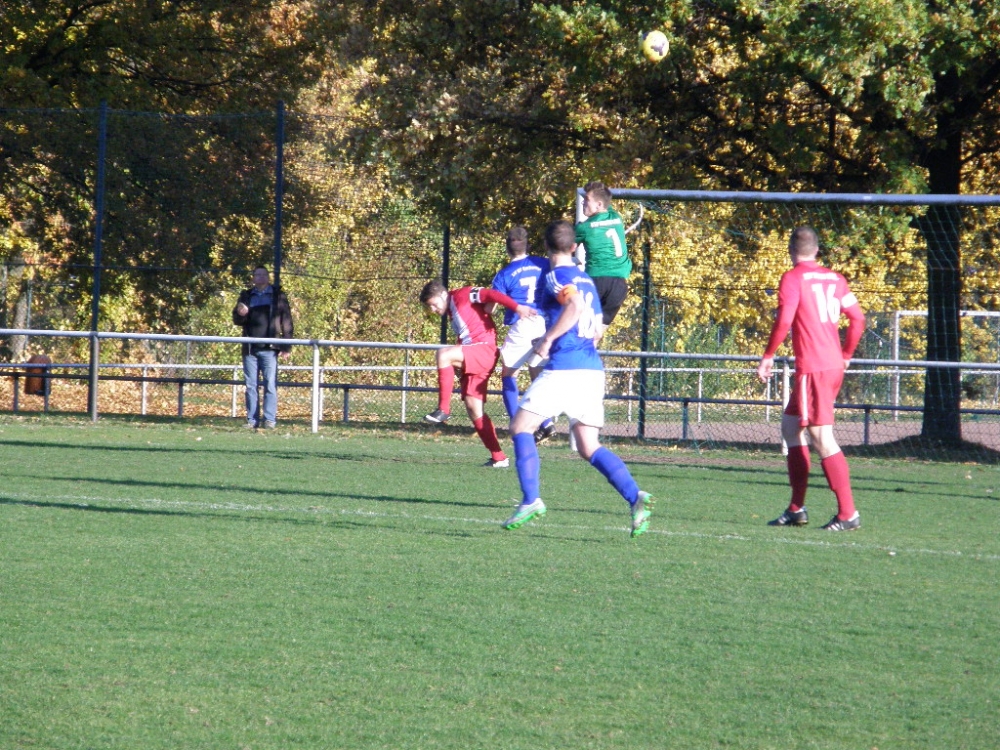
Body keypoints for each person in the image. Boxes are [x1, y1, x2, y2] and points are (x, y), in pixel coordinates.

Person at [501, 219, 654, 538]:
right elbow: (597, 329)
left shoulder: (558, 276)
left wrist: (548, 340)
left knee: (520, 427)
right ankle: (635, 496)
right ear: (574, 247)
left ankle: (531, 500)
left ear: (546, 246)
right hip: (591, 369)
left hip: (566, 368)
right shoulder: (586, 279)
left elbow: (573, 306)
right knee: (588, 445)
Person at [756, 226, 866, 531]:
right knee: (791, 428)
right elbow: (858, 319)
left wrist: (768, 355)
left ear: (792, 251)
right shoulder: (836, 279)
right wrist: (846, 354)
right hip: (830, 364)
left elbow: (785, 318)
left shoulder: (793, 278)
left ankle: (848, 513)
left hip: (814, 367)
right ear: (817, 250)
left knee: (821, 437)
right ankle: (796, 508)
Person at [420, 279, 537, 467]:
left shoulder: (462, 295)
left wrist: (517, 308)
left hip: (484, 350)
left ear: (443, 295)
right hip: (475, 353)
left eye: (433, 304)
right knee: (474, 408)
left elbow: (491, 294)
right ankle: (499, 457)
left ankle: (443, 409)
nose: (433, 310)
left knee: (443, 354)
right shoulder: (452, 310)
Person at [487, 226, 556, 443]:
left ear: (507, 248)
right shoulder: (543, 264)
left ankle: (523, 426)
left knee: (508, 375)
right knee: (537, 377)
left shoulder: (504, 274)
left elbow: (490, 309)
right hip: (545, 325)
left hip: (523, 325)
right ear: (527, 244)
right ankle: (546, 423)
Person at [232, 266, 294, 429]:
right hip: (250, 348)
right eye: (257, 275)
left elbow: (286, 321)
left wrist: (286, 346)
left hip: (270, 348)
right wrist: (240, 313)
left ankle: (269, 420)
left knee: (270, 385)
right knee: (251, 385)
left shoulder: (277, 295)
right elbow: (237, 320)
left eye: (263, 275)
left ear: (268, 277)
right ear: (253, 278)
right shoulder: (246, 296)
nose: (260, 277)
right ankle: (252, 420)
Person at [574, 180, 632, 340]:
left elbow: (568, 247)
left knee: (576, 330)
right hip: (620, 285)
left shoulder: (584, 228)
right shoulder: (616, 217)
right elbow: (606, 201)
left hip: (597, 282)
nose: (583, 202)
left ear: (599, 204)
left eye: (587, 200)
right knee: (594, 336)